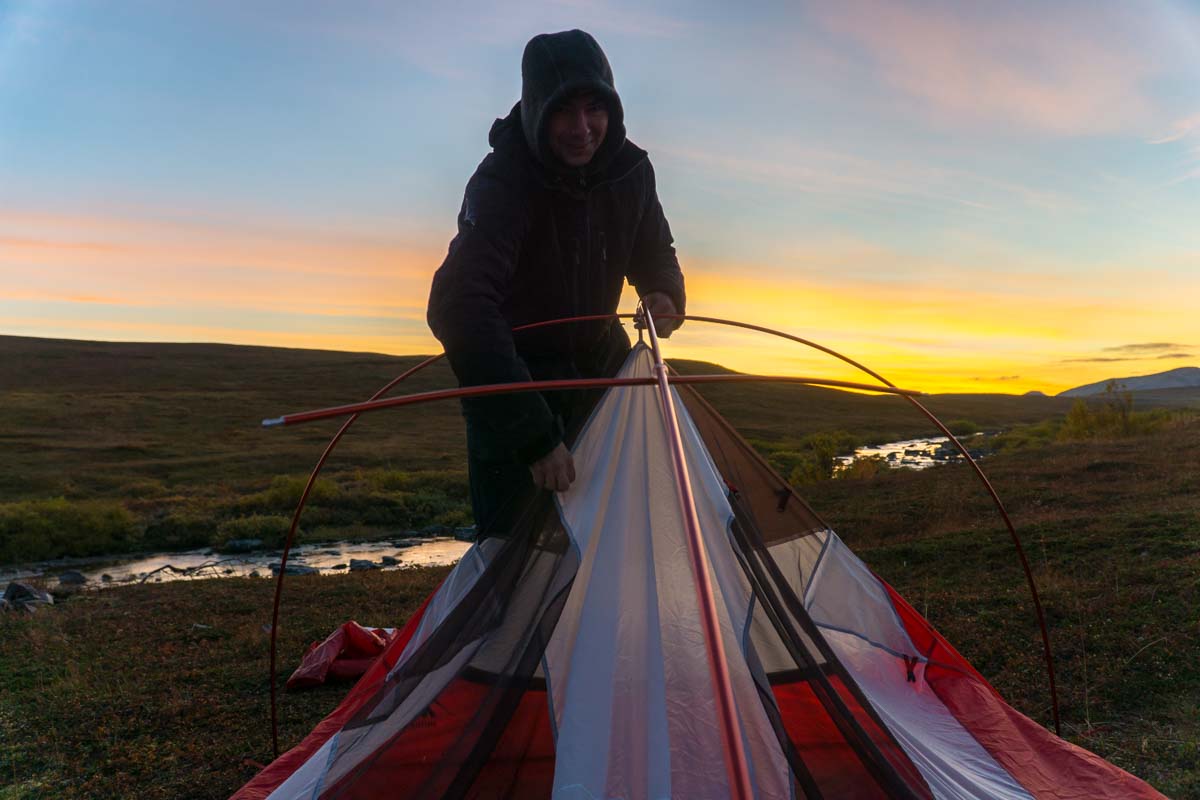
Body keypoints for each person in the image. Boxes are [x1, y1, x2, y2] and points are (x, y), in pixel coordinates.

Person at [427, 29, 686, 537]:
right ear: (535, 108)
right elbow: (460, 306)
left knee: (615, 543)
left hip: (599, 380)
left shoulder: (630, 169)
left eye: (596, 108)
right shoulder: (504, 182)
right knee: (517, 565)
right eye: (564, 111)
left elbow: (654, 250)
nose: (582, 128)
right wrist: (534, 435)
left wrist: (663, 290)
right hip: (515, 391)